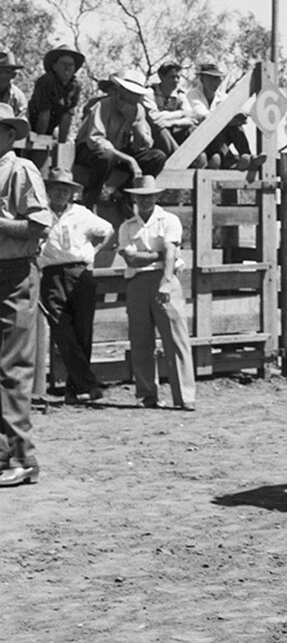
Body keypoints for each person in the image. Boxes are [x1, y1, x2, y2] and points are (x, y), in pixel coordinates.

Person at [0, 104, 51, 487]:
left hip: (15, 274)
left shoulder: (20, 170)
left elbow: (38, 226)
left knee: (12, 367)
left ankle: (22, 457)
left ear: (8, 134)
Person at [117, 175, 196, 410]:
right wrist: (161, 255)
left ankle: (185, 396)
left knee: (176, 339)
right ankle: (147, 394)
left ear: (157, 196)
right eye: (140, 196)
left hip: (165, 279)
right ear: (133, 197)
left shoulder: (169, 220)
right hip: (137, 282)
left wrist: (166, 278)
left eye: (150, 196)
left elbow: (171, 251)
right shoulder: (127, 226)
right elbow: (131, 259)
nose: (145, 200)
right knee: (141, 340)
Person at [37, 169, 113, 404]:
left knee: (82, 332)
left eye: (66, 190)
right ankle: (88, 384)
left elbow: (107, 230)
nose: (61, 193)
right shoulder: (40, 213)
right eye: (57, 188)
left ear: (72, 193)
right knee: (61, 329)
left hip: (80, 272)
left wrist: (95, 252)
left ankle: (75, 389)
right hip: (51, 274)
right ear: (48, 190)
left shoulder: (80, 213)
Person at [74, 70, 167, 208]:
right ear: (121, 90)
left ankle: (124, 196)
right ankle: (90, 202)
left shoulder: (139, 110)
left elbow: (145, 144)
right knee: (105, 157)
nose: (134, 97)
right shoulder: (103, 105)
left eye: (137, 94)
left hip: (118, 152)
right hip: (90, 151)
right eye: (131, 92)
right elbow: (96, 141)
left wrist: (134, 123)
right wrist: (130, 160)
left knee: (157, 157)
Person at [187, 62, 261, 170]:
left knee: (235, 127)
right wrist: (227, 120)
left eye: (217, 79)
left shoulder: (222, 96)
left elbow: (234, 109)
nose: (215, 82)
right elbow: (203, 116)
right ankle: (231, 162)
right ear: (202, 79)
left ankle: (247, 156)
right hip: (200, 144)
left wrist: (240, 116)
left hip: (219, 143)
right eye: (211, 78)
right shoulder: (193, 95)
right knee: (216, 128)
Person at [144, 62, 198, 157]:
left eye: (178, 77)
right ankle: (180, 160)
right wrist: (180, 113)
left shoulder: (179, 95)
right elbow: (154, 118)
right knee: (161, 129)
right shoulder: (150, 92)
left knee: (192, 129)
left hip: (173, 133)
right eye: (172, 77)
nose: (176, 80)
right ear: (161, 77)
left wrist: (172, 123)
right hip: (154, 137)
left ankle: (195, 159)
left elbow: (191, 118)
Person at [0, 52, 28, 119]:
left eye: (7, 72)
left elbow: (22, 124)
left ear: (13, 75)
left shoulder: (18, 97)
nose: (1, 76)